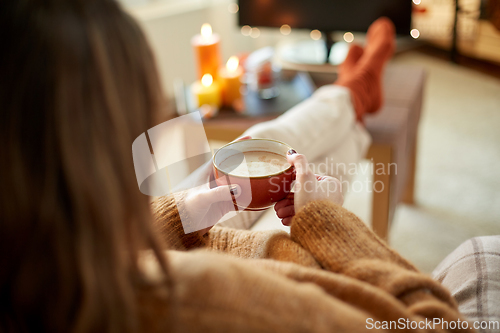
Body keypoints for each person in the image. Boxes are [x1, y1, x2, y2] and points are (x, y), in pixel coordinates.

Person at [0, 0, 472, 332]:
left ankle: (351, 96)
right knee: (288, 164)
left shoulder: (34, 277)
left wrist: (179, 215)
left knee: (256, 152)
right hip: (266, 260)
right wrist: (327, 221)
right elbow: (437, 325)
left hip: (165, 241)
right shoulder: (204, 301)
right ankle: (354, 93)